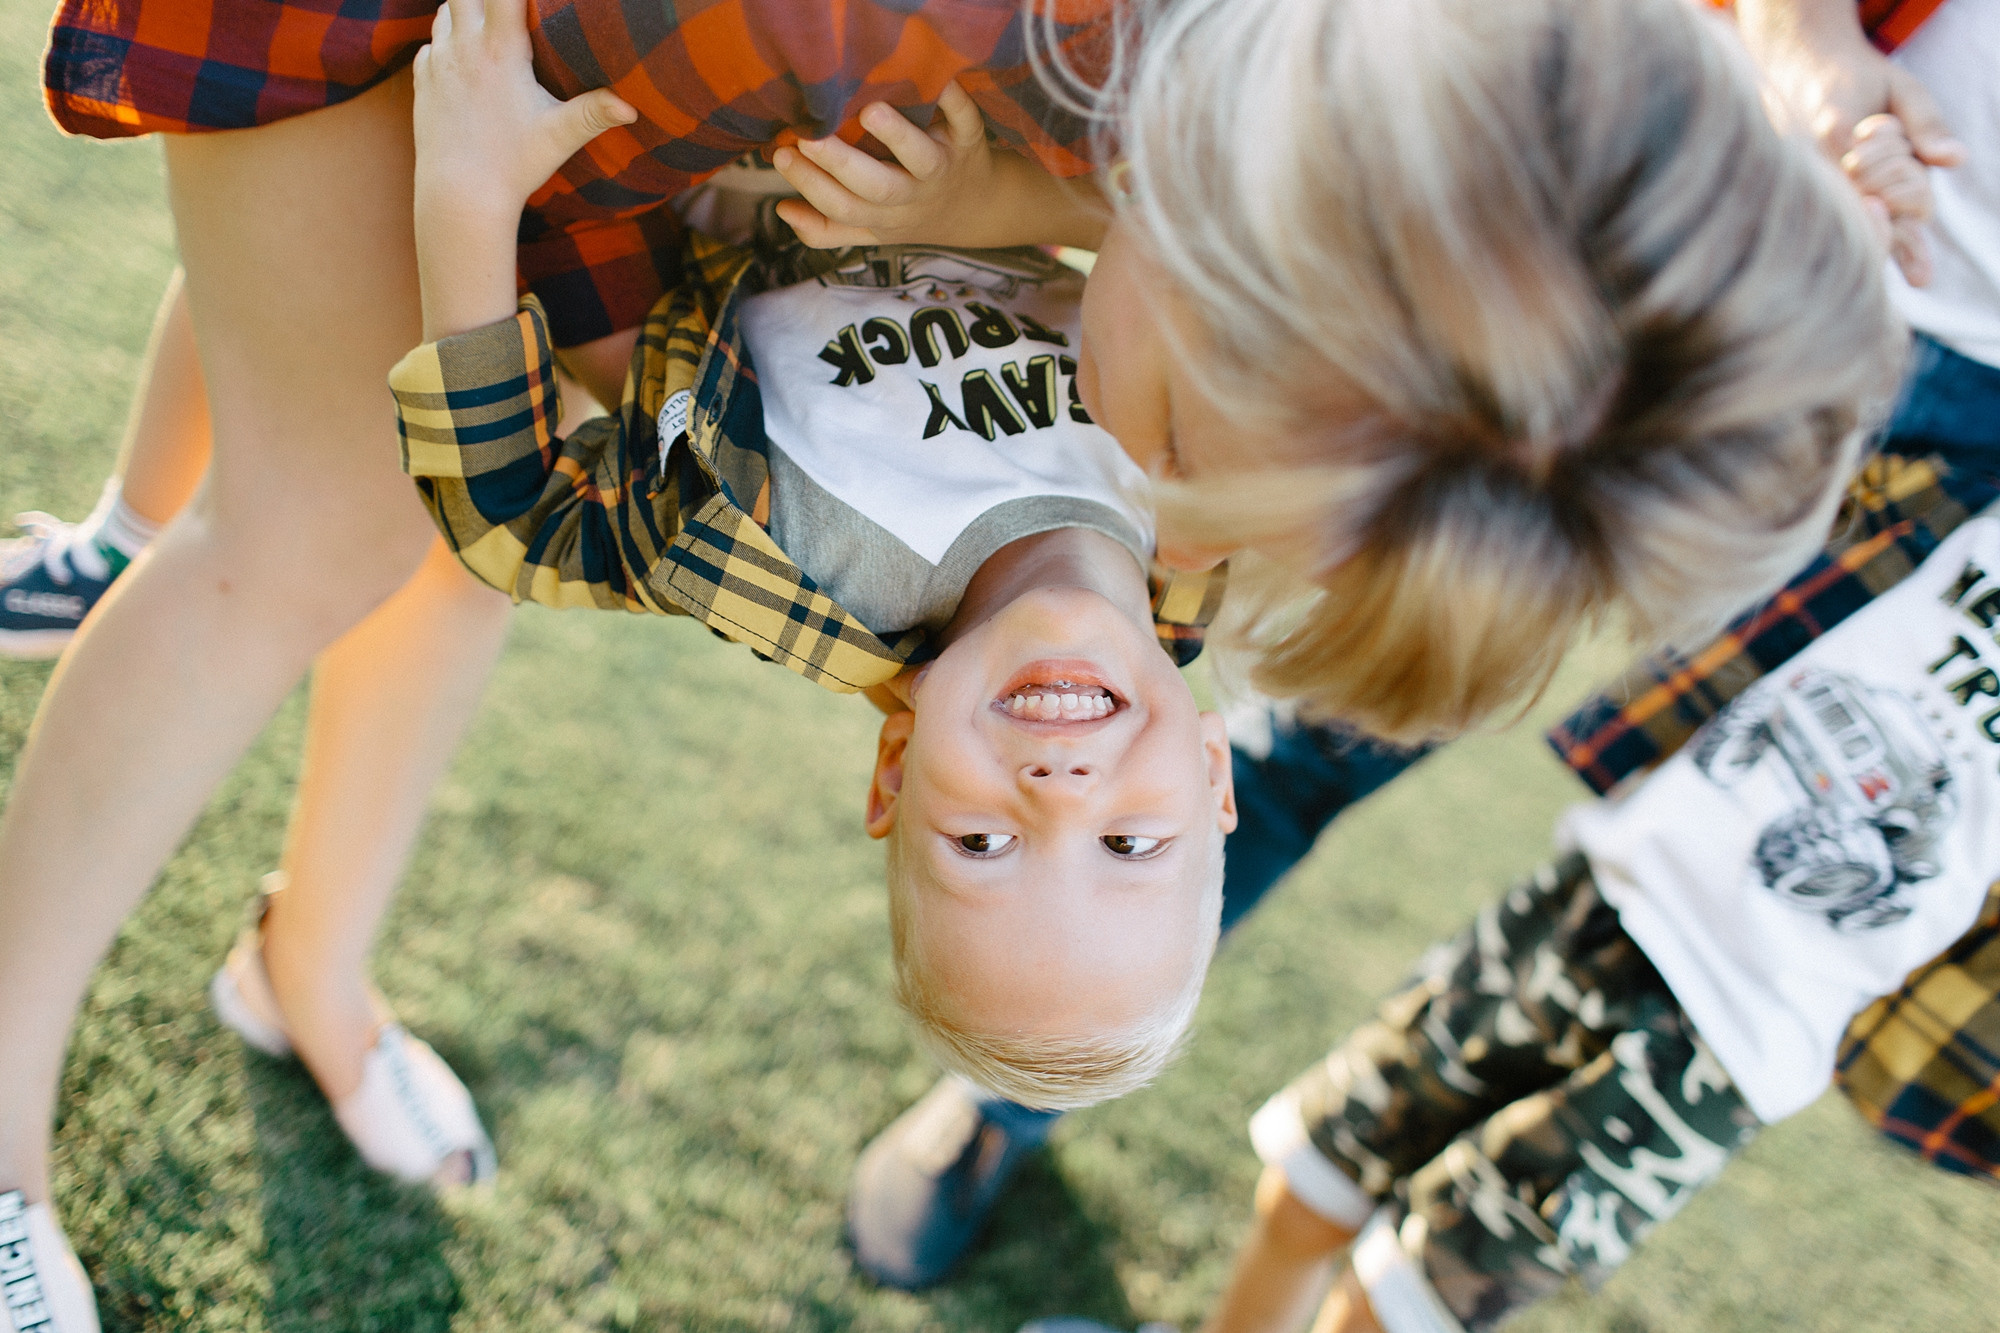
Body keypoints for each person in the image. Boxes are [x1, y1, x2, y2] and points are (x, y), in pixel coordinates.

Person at [400, 0, 1238, 1107]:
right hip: (982, 112)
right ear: (1216, 775)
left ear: (896, 771)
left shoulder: (783, 561)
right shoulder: (1214, 499)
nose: (1059, 791)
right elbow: (1201, 219)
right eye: (1130, 845)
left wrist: (468, 193)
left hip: (683, 129)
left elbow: (513, 524)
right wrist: (988, 202)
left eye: (982, 841)